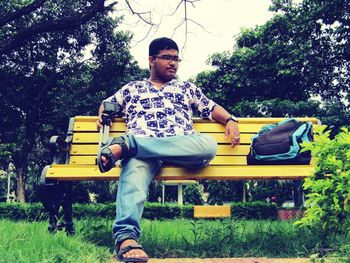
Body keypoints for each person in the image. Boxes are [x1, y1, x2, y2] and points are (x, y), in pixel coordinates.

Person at [96, 37, 240, 262]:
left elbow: (211, 108)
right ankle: (126, 238)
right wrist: (102, 113)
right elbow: (107, 104)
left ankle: (129, 145)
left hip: (181, 148)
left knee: (208, 146)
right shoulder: (132, 88)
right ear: (151, 60)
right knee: (133, 172)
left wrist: (230, 120)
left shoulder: (186, 88)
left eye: (176, 59)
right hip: (144, 156)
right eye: (167, 58)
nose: (173, 63)